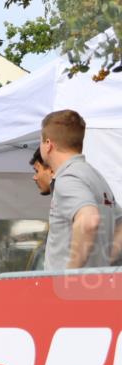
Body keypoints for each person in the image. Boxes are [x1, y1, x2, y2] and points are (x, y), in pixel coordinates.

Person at [38, 109, 122, 269]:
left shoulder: (68, 178)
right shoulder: (95, 176)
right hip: (93, 288)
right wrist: (103, 263)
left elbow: (89, 220)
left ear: (48, 144)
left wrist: (70, 274)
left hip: (69, 291)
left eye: (41, 141)